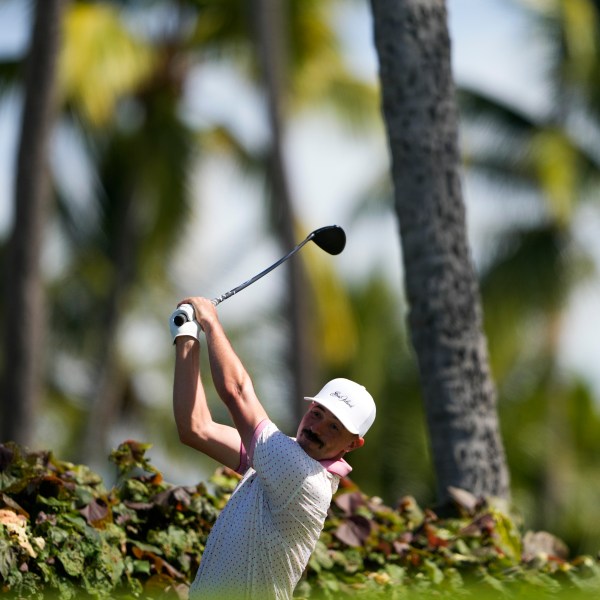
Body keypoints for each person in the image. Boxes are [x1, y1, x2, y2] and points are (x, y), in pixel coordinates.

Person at [170, 296, 376, 600]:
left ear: (353, 444)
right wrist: (187, 334)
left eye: (334, 427)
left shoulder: (302, 477)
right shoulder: (276, 457)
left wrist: (210, 321)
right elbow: (196, 428)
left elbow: (237, 393)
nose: (316, 428)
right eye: (317, 413)